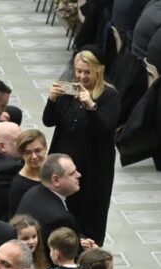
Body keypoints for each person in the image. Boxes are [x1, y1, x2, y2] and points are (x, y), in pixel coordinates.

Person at [43, 49, 120, 244]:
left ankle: (88, 251)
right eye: (78, 71)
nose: (82, 77)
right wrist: (52, 100)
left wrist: (91, 106)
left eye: (87, 72)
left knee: (90, 212)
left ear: (98, 71)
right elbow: (48, 121)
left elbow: (104, 127)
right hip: (65, 164)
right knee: (62, 209)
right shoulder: (69, 92)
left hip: (94, 168)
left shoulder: (109, 96)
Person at [15, 153, 82, 248]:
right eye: (72, 173)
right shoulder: (60, 218)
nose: (79, 175)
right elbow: (71, 255)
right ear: (56, 180)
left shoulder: (32, 192)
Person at [8, 129, 49, 216]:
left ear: (45, 147)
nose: (34, 157)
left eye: (38, 150)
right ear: (21, 154)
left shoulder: (54, 169)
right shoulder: (19, 185)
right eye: (28, 153)